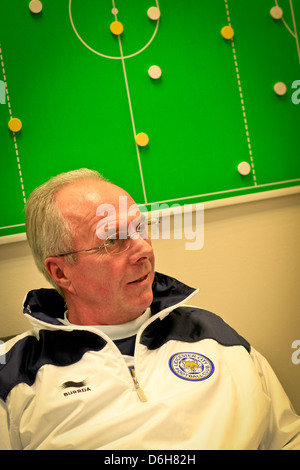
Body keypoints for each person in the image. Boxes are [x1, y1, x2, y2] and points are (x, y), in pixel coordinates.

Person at [0, 168, 299, 450]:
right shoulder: (13, 372)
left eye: (140, 228)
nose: (144, 249)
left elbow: (287, 438)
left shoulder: (213, 334)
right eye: (113, 239)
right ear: (62, 273)